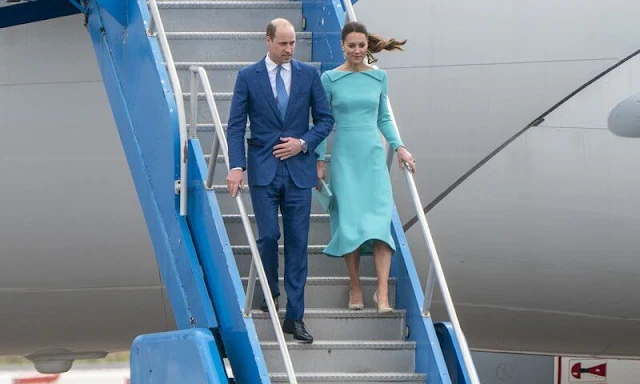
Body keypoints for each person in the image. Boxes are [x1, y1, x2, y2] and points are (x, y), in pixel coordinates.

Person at [226, 18, 334, 343]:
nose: (289, 49)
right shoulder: (248, 77)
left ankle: (294, 317)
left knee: (298, 245)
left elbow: (326, 119)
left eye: (293, 44)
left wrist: (303, 144)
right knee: (269, 236)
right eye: (283, 43)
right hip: (263, 168)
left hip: (299, 171)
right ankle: (270, 292)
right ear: (268, 41)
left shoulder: (308, 75)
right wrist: (236, 166)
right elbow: (235, 126)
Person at [316, 21, 416, 313]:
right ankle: (356, 286)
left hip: (373, 158)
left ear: (366, 46)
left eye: (361, 45)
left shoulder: (379, 78)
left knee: (379, 225)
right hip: (346, 158)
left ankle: (382, 294)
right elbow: (323, 122)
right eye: (352, 46)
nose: (357, 51)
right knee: (350, 225)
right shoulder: (330, 79)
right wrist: (319, 160)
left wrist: (399, 147)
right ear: (342, 46)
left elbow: (384, 117)